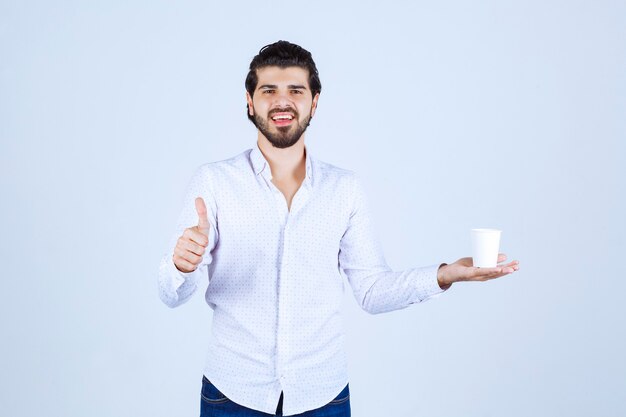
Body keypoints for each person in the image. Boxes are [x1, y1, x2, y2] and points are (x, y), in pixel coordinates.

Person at [157, 40, 520, 417]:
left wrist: (444, 276)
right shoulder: (213, 183)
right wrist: (181, 266)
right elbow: (171, 293)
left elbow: (372, 290)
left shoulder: (344, 189)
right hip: (232, 393)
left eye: (296, 90)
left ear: (314, 102)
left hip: (322, 396)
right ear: (249, 101)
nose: (283, 102)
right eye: (269, 91)